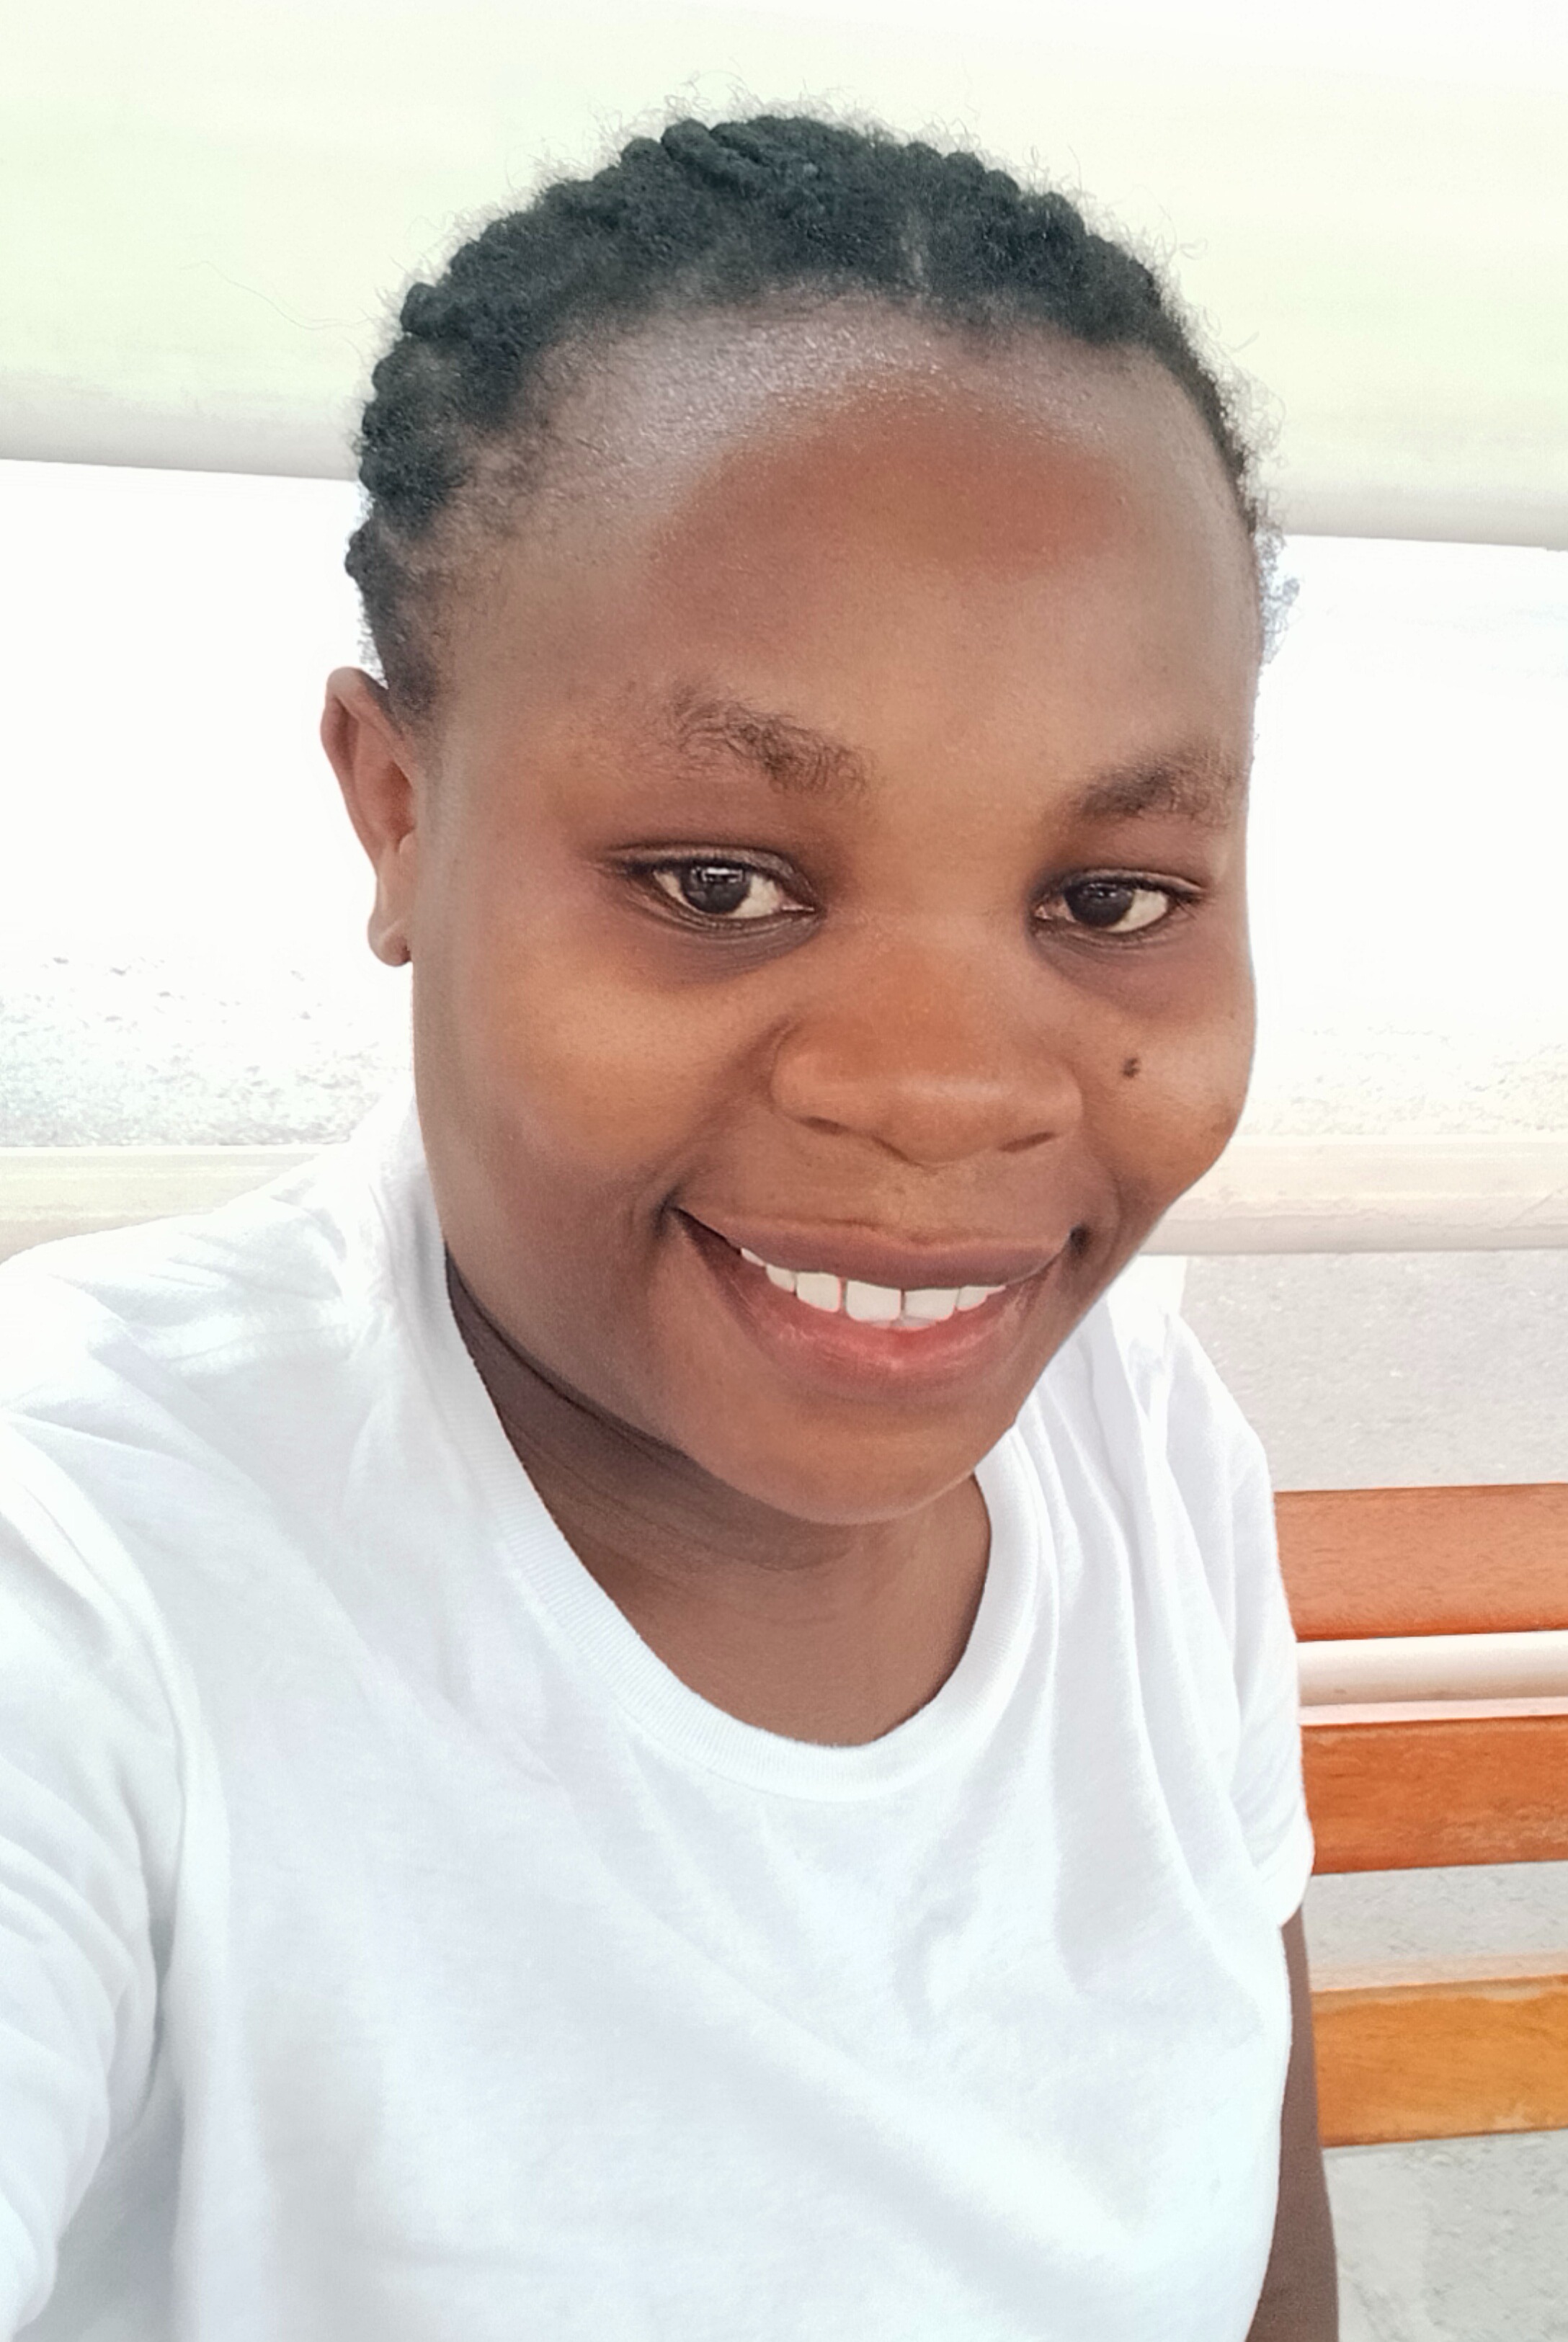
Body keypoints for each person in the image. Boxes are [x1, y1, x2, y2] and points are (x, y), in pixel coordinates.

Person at [0, 114, 1335, 2340]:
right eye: (720, 882)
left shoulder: (1147, 1455)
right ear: (398, 810)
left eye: (1110, 900)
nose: (945, 1088)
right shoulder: (91, 1565)